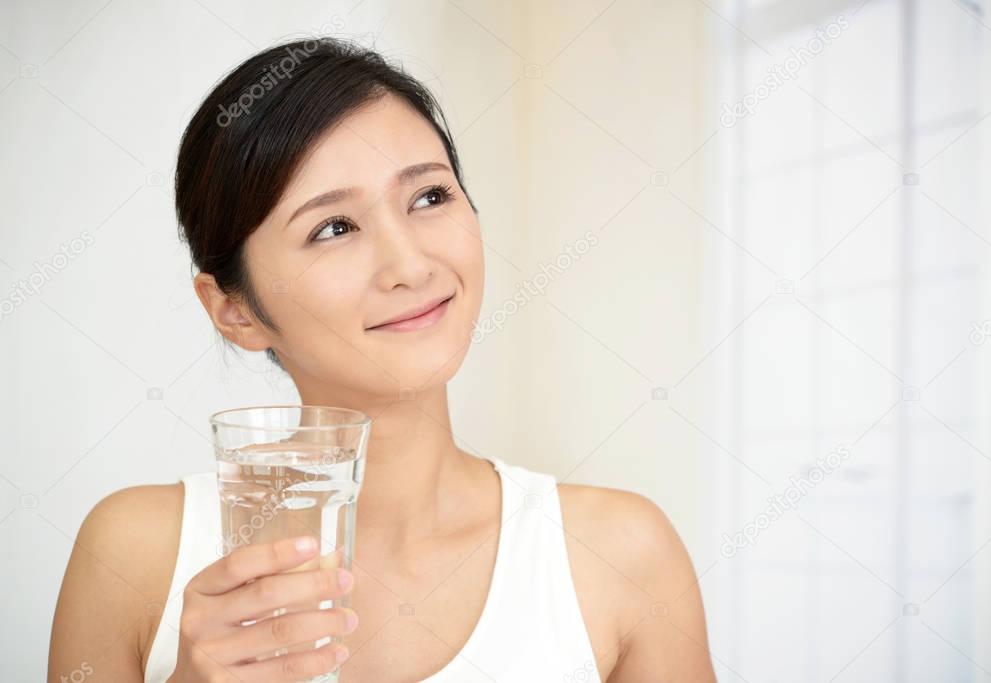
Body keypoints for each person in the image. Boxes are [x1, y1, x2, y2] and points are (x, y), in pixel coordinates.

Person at [48, 36, 715, 683]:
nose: (408, 264)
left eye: (429, 196)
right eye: (332, 228)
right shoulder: (132, 555)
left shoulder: (621, 555)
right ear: (234, 309)